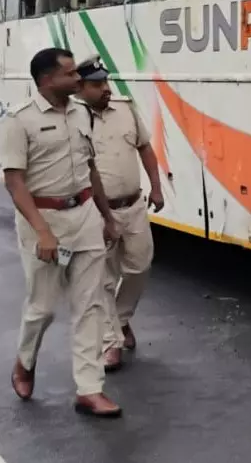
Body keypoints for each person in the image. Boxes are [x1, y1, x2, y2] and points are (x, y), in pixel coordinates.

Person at [0, 47, 122, 417]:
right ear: (47, 79)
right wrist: (43, 233)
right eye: (71, 74)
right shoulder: (18, 122)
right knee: (44, 308)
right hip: (44, 222)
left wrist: (106, 217)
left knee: (91, 305)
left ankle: (89, 388)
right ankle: (25, 360)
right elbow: (15, 183)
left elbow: (91, 169)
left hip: (84, 215)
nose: (79, 80)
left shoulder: (82, 113)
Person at [75, 59, 163, 371]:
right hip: (96, 210)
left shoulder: (125, 109)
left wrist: (156, 188)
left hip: (134, 205)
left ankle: (121, 319)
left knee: (140, 266)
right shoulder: (72, 119)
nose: (106, 89)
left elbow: (146, 149)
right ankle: (111, 342)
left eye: (106, 82)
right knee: (104, 279)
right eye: (97, 85)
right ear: (80, 87)